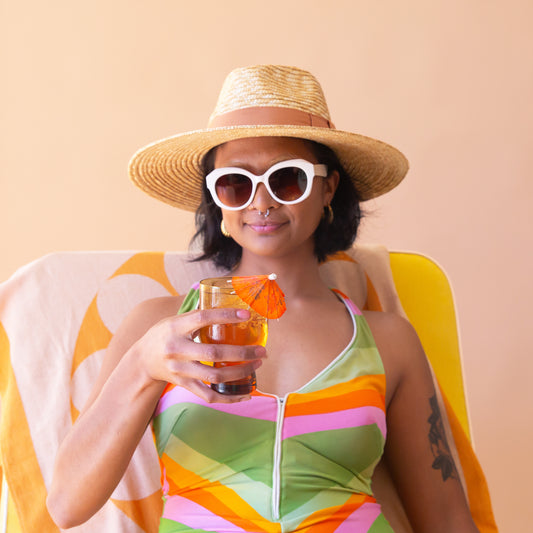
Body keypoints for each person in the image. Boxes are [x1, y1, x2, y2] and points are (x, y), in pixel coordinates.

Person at [47, 65, 479, 532]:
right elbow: (67, 506)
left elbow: (448, 520)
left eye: (287, 179)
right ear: (217, 198)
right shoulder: (159, 327)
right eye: (235, 182)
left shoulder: (390, 341)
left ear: (328, 186)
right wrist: (143, 365)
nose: (260, 202)